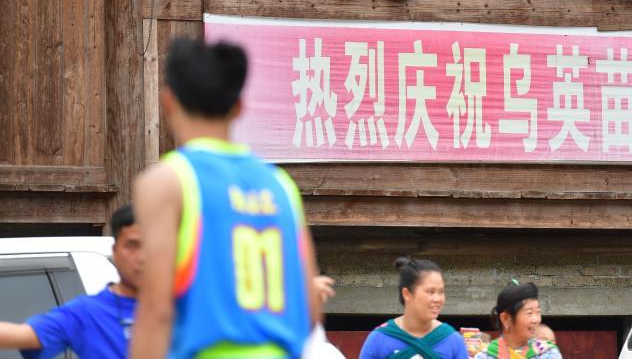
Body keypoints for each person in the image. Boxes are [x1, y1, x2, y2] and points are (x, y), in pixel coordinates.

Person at [131, 38, 320, 358]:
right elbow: (311, 309)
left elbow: (156, 310)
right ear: (238, 107)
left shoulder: (167, 181)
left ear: (168, 101)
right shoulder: (280, 185)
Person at [0, 204, 141, 359]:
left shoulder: (165, 308)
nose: (142, 256)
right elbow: (21, 335)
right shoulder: (87, 313)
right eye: (132, 245)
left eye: (153, 245)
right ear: (115, 251)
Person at [358, 257, 467, 359]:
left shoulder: (452, 340)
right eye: (430, 292)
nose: (438, 299)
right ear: (407, 294)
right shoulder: (379, 339)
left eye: (441, 292)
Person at [475, 281, 560, 359]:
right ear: (505, 318)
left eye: (538, 312)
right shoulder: (485, 356)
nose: (536, 320)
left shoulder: (548, 353)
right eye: (529, 313)